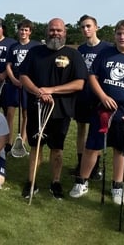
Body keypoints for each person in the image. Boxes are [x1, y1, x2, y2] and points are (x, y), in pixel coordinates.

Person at [70, 19, 124, 204]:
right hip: (102, 109)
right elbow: (92, 76)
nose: (122, 37)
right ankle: (81, 181)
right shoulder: (106, 53)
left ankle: (117, 186)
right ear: (114, 35)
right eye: (119, 33)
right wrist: (103, 97)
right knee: (92, 146)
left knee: (120, 149)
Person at [19, 18, 88, 199]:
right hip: (37, 108)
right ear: (46, 32)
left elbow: (80, 83)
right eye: (52, 30)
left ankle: (55, 182)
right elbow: (23, 76)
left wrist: (52, 90)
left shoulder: (73, 55)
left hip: (61, 111)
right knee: (36, 146)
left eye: (59, 30)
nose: (55, 33)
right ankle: (31, 182)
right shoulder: (35, 52)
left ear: (65, 32)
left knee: (57, 148)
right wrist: (38, 92)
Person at [72, 15, 113, 179]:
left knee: (98, 130)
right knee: (81, 128)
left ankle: (96, 166)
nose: (85, 29)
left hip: (99, 96)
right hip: (83, 95)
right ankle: (81, 162)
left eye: (88, 26)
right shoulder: (80, 50)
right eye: (82, 27)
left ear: (97, 27)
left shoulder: (107, 48)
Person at [4, 19, 40, 149]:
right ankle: (8, 141)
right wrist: (13, 79)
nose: (23, 32)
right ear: (18, 31)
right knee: (10, 112)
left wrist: (28, 82)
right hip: (13, 83)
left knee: (26, 113)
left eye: (26, 30)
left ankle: (22, 141)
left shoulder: (35, 46)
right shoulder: (13, 46)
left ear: (30, 32)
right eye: (21, 30)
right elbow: (8, 65)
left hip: (28, 84)